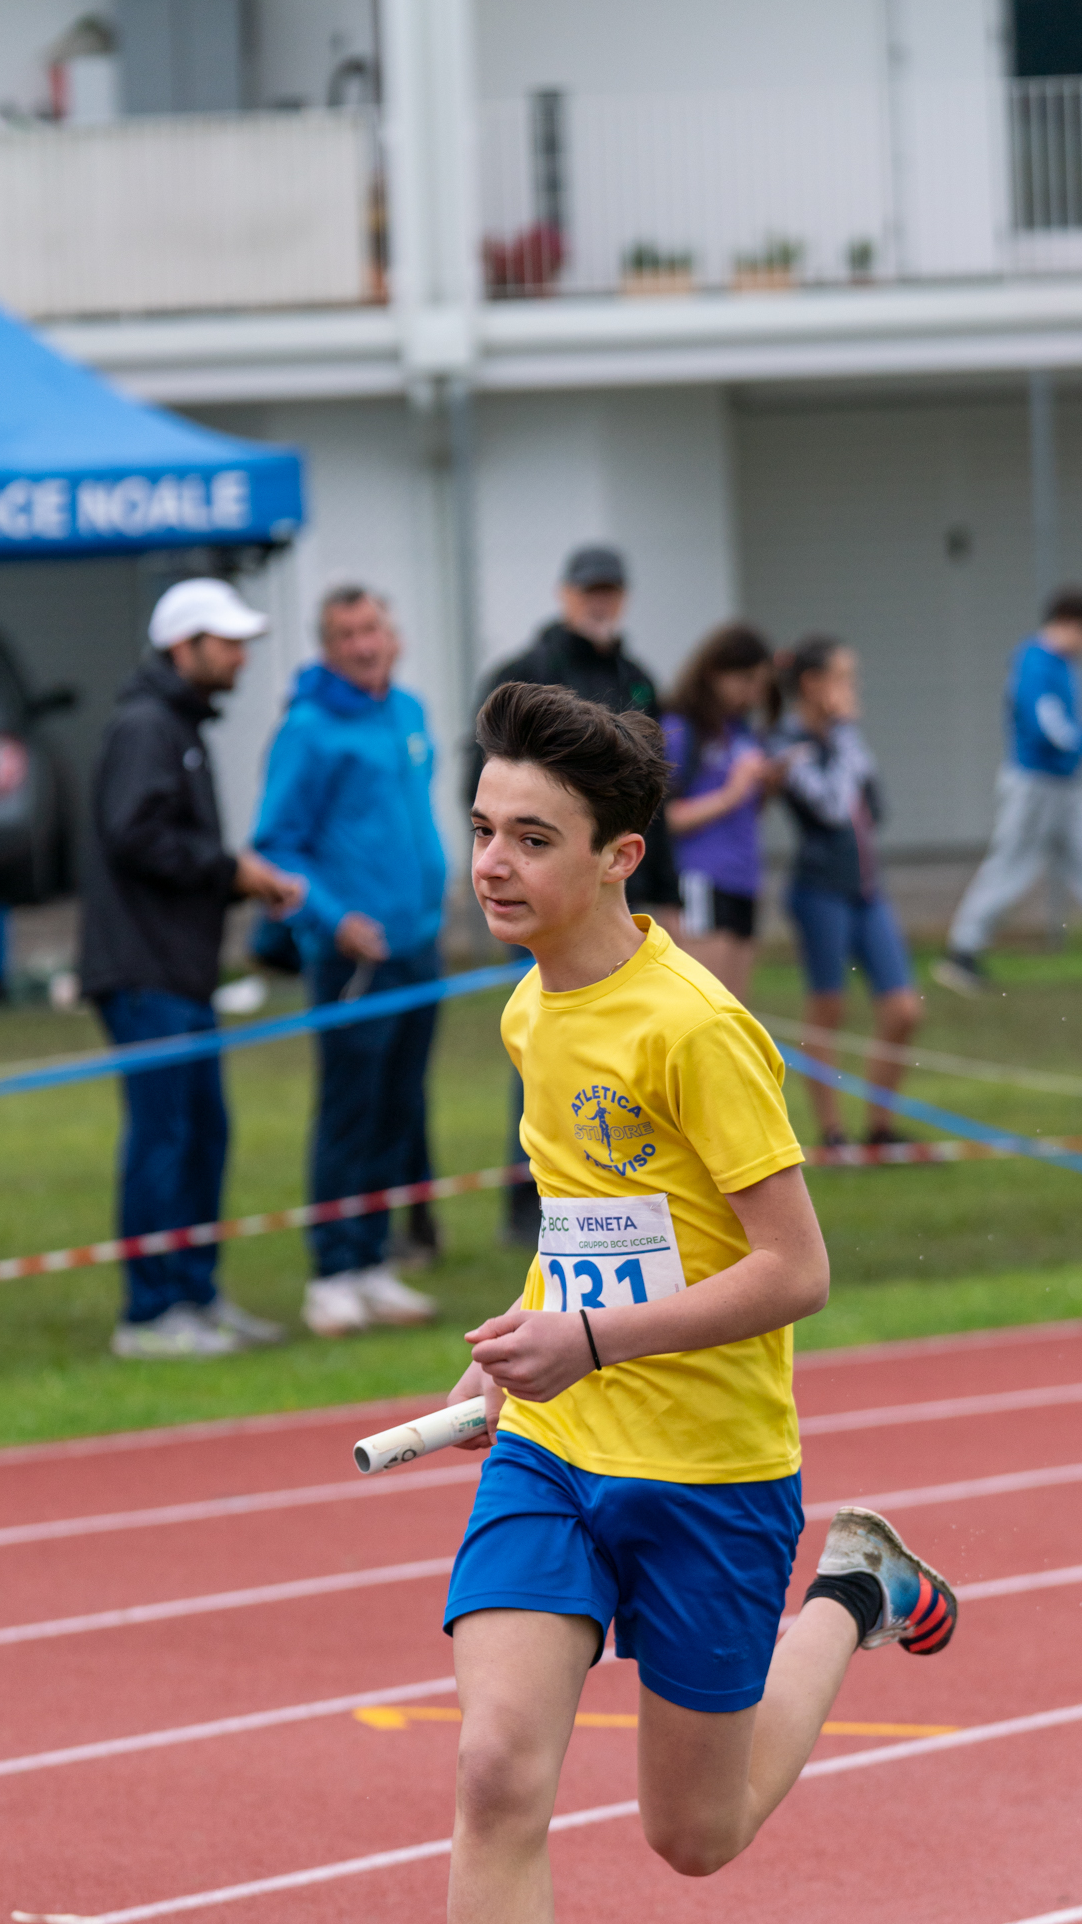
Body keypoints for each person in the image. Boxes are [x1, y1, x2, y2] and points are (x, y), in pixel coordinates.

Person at [380, 681, 957, 1924]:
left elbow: (794, 1270)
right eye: (481, 828)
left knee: (692, 1836)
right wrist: (519, 1347)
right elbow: (587, 1228)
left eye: (531, 837)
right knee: (496, 1762)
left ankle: (854, 1584)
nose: (491, 863)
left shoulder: (695, 1027)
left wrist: (594, 1339)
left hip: (707, 1471)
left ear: (618, 853)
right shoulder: (527, 1010)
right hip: (558, 1453)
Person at [79, 577, 306, 1361]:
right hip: (145, 971)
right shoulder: (147, 726)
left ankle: (195, 1295)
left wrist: (229, 871)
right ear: (185, 647)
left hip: (180, 971)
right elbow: (134, 834)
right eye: (227, 642)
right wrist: (229, 869)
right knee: (164, 1139)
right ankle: (150, 1313)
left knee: (203, 1135)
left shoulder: (176, 724)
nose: (241, 657)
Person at [255, 585, 448, 1338]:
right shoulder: (308, 730)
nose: (364, 645)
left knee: (400, 1106)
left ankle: (372, 1259)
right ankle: (331, 1271)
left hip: (419, 946)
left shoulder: (409, 712)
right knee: (350, 1109)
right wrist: (334, 920)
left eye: (372, 629)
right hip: (352, 959)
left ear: (391, 634)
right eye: (347, 634)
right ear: (327, 647)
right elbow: (277, 845)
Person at [471, 543, 674, 1246]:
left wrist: (666, 892)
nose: (599, 601)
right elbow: (486, 791)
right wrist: (516, 851)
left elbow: (657, 805)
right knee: (547, 1052)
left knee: (622, 1058)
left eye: (610, 590)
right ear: (564, 594)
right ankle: (533, 1206)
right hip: (552, 906)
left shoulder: (637, 681)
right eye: (589, 589)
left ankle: (625, 1203)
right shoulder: (524, 672)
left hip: (617, 900)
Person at [935, 588, 1082, 996]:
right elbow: (1047, 725)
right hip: (1034, 785)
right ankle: (961, 953)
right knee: (1011, 867)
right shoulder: (1034, 661)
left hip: (1067, 785)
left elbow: (1068, 724)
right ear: (1069, 624)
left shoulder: (1062, 666)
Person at [772, 635, 922, 1154]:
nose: (851, 689)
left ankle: (880, 1128)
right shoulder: (786, 742)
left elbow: (875, 805)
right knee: (828, 1009)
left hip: (866, 889)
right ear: (812, 684)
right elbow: (833, 806)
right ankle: (832, 1134)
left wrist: (843, 734)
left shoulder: (842, 738)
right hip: (819, 891)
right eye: (842, 678)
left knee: (904, 1010)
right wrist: (841, 734)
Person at [661, 622, 782, 1001]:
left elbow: (745, 812)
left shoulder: (741, 731)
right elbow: (665, 817)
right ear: (714, 673)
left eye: (760, 684)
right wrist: (731, 793)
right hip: (701, 879)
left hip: (745, 879)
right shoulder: (681, 729)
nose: (753, 694)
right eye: (745, 681)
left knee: (734, 1012)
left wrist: (765, 788)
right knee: (703, 1006)